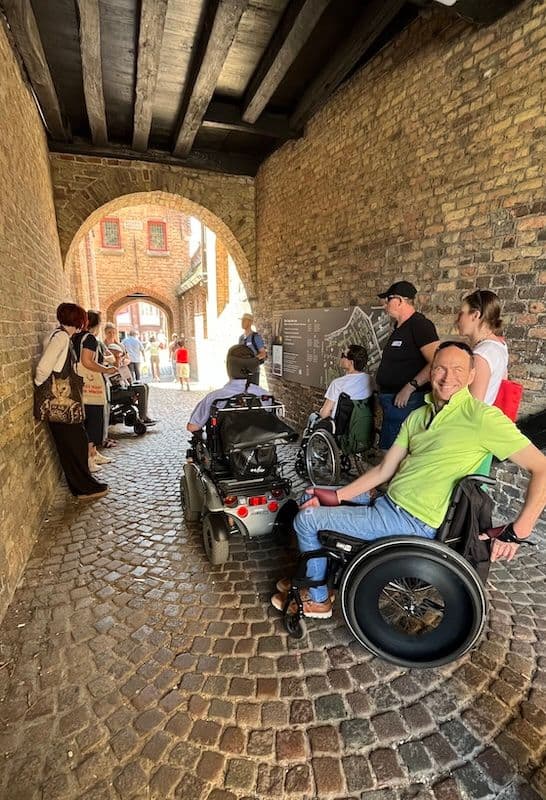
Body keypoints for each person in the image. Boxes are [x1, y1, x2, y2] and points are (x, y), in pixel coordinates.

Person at [271, 341, 546, 619]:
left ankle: (318, 600)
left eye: (458, 369)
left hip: (414, 519)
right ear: (431, 371)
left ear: (472, 376)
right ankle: (315, 574)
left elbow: (542, 468)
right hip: (389, 501)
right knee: (309, 494)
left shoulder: (482, 418)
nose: (447, 377)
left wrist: (517, 532)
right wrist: (338, 495)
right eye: (439, 368)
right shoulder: (419, 415)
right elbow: (383, 471)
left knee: (306, 519)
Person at [34, 303, 108, 500]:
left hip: (60, 401)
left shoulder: (54, 335)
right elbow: (43, 368)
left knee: (69, 444)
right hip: (62, 402)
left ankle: (82, 484)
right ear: (78, 320)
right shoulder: (61, 338)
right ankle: (84, 487)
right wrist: (45, 387)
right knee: (75, 443)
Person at [376, 281, 439, 450]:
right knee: (389, 452)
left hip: (407, 402)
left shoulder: (420, 325)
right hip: (392, 401)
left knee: (395, 454)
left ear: (400, 300)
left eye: (388, 300)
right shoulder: (398, 327)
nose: (385, 305)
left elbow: (436, 361)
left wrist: (410, 387)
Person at [73, 311, 118, 473]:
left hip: (80, 386)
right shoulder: (90, 338)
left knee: (88, 421)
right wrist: (106, 369)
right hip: (91, 388)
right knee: (93, 421)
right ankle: (89, 459)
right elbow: (87, 361)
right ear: (96, 325)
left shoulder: (76, 337)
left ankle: (93, 453)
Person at [187, 345, 268, 432]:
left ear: (229, 367)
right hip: (261, 444)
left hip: (225, 445)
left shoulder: (214, 398)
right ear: (253, 368)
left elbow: (192, 427)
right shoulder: (265, 395)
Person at [456, 289, 508, 404]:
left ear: (475, 315)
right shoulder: (500, 344)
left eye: (461, 313)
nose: (457, 319)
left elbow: (473, 405)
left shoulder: (482, 355)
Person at [107, 344, 156, 425]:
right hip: (115, 392)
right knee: (142, 388)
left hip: (122, 387)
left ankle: (144, 414)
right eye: (117, 356)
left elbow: (128, 379)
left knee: (144, 385)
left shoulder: (117, 363)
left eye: (119, 356)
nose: (119, 358)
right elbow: (114, 381)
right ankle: (143, 416)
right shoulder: (110, 365)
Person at [239, 313, 266, 386]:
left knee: (253, 393)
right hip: (242, 372)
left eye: (244, 320)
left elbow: (263, 354)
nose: (242, 322)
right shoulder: (241, 338)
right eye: (242, 320)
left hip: (253, 372)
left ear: (250, 322)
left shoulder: (256, 337)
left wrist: (251, 361)